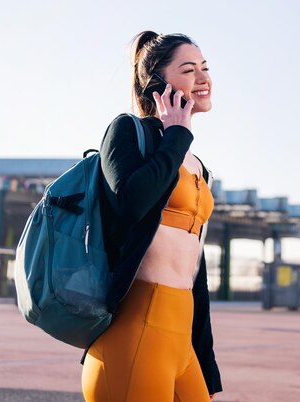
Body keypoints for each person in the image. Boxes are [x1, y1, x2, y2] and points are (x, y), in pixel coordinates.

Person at [81, 31, 223, 402]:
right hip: (135, 335)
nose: (204, 78)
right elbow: (130, 204)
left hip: (181, 337)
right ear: (156, 81)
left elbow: (194, 265)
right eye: (189, 69)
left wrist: (204, 353)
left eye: (205, 68)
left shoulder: (197, 164)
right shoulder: (128, 131)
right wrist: (176, 133)